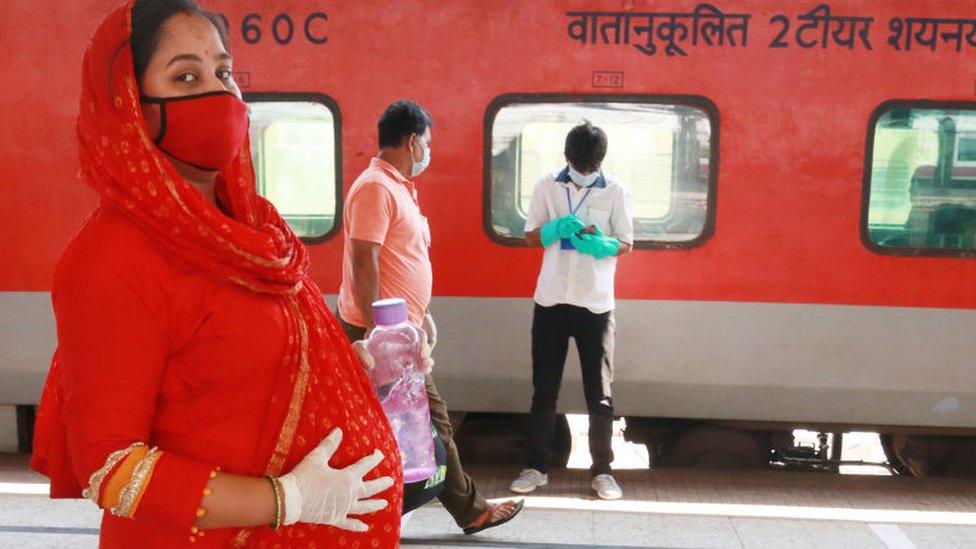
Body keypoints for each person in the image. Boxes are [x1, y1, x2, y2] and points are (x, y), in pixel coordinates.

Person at [29, 1, 401, 546]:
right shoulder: (112, 256)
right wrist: (289, 499)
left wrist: (354, 369)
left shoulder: (254, 227)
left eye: (224, 73)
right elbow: (111, 469)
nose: (219, 94)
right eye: (185, 76)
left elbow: (257, 367)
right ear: (129, 104)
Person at [336, 99, 524, 535]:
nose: (428, 151)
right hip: (384, 333)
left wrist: (422, 314)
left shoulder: (397, 187)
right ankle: (468, 509)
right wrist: (378, 332)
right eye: (428, 142)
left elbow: (403, 258)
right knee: (430, 420)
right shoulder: (376, 189)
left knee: (408, 423)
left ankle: (388, 510)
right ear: (413, 140)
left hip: (401, 326)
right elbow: (366, 259)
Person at [509, 122, 633, 500]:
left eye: (591, 167)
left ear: (601, 162)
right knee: (543, 390)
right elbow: (531, 236)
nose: (584, 173)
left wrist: (605, 245)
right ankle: (536, 467)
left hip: (595, 304)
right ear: (566, 159)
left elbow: (626, 243)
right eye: (579, 166)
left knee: (600, 395)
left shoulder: (616, 191)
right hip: (551, 300)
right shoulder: (547, 185)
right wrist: (553, 229)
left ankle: (603, 471)